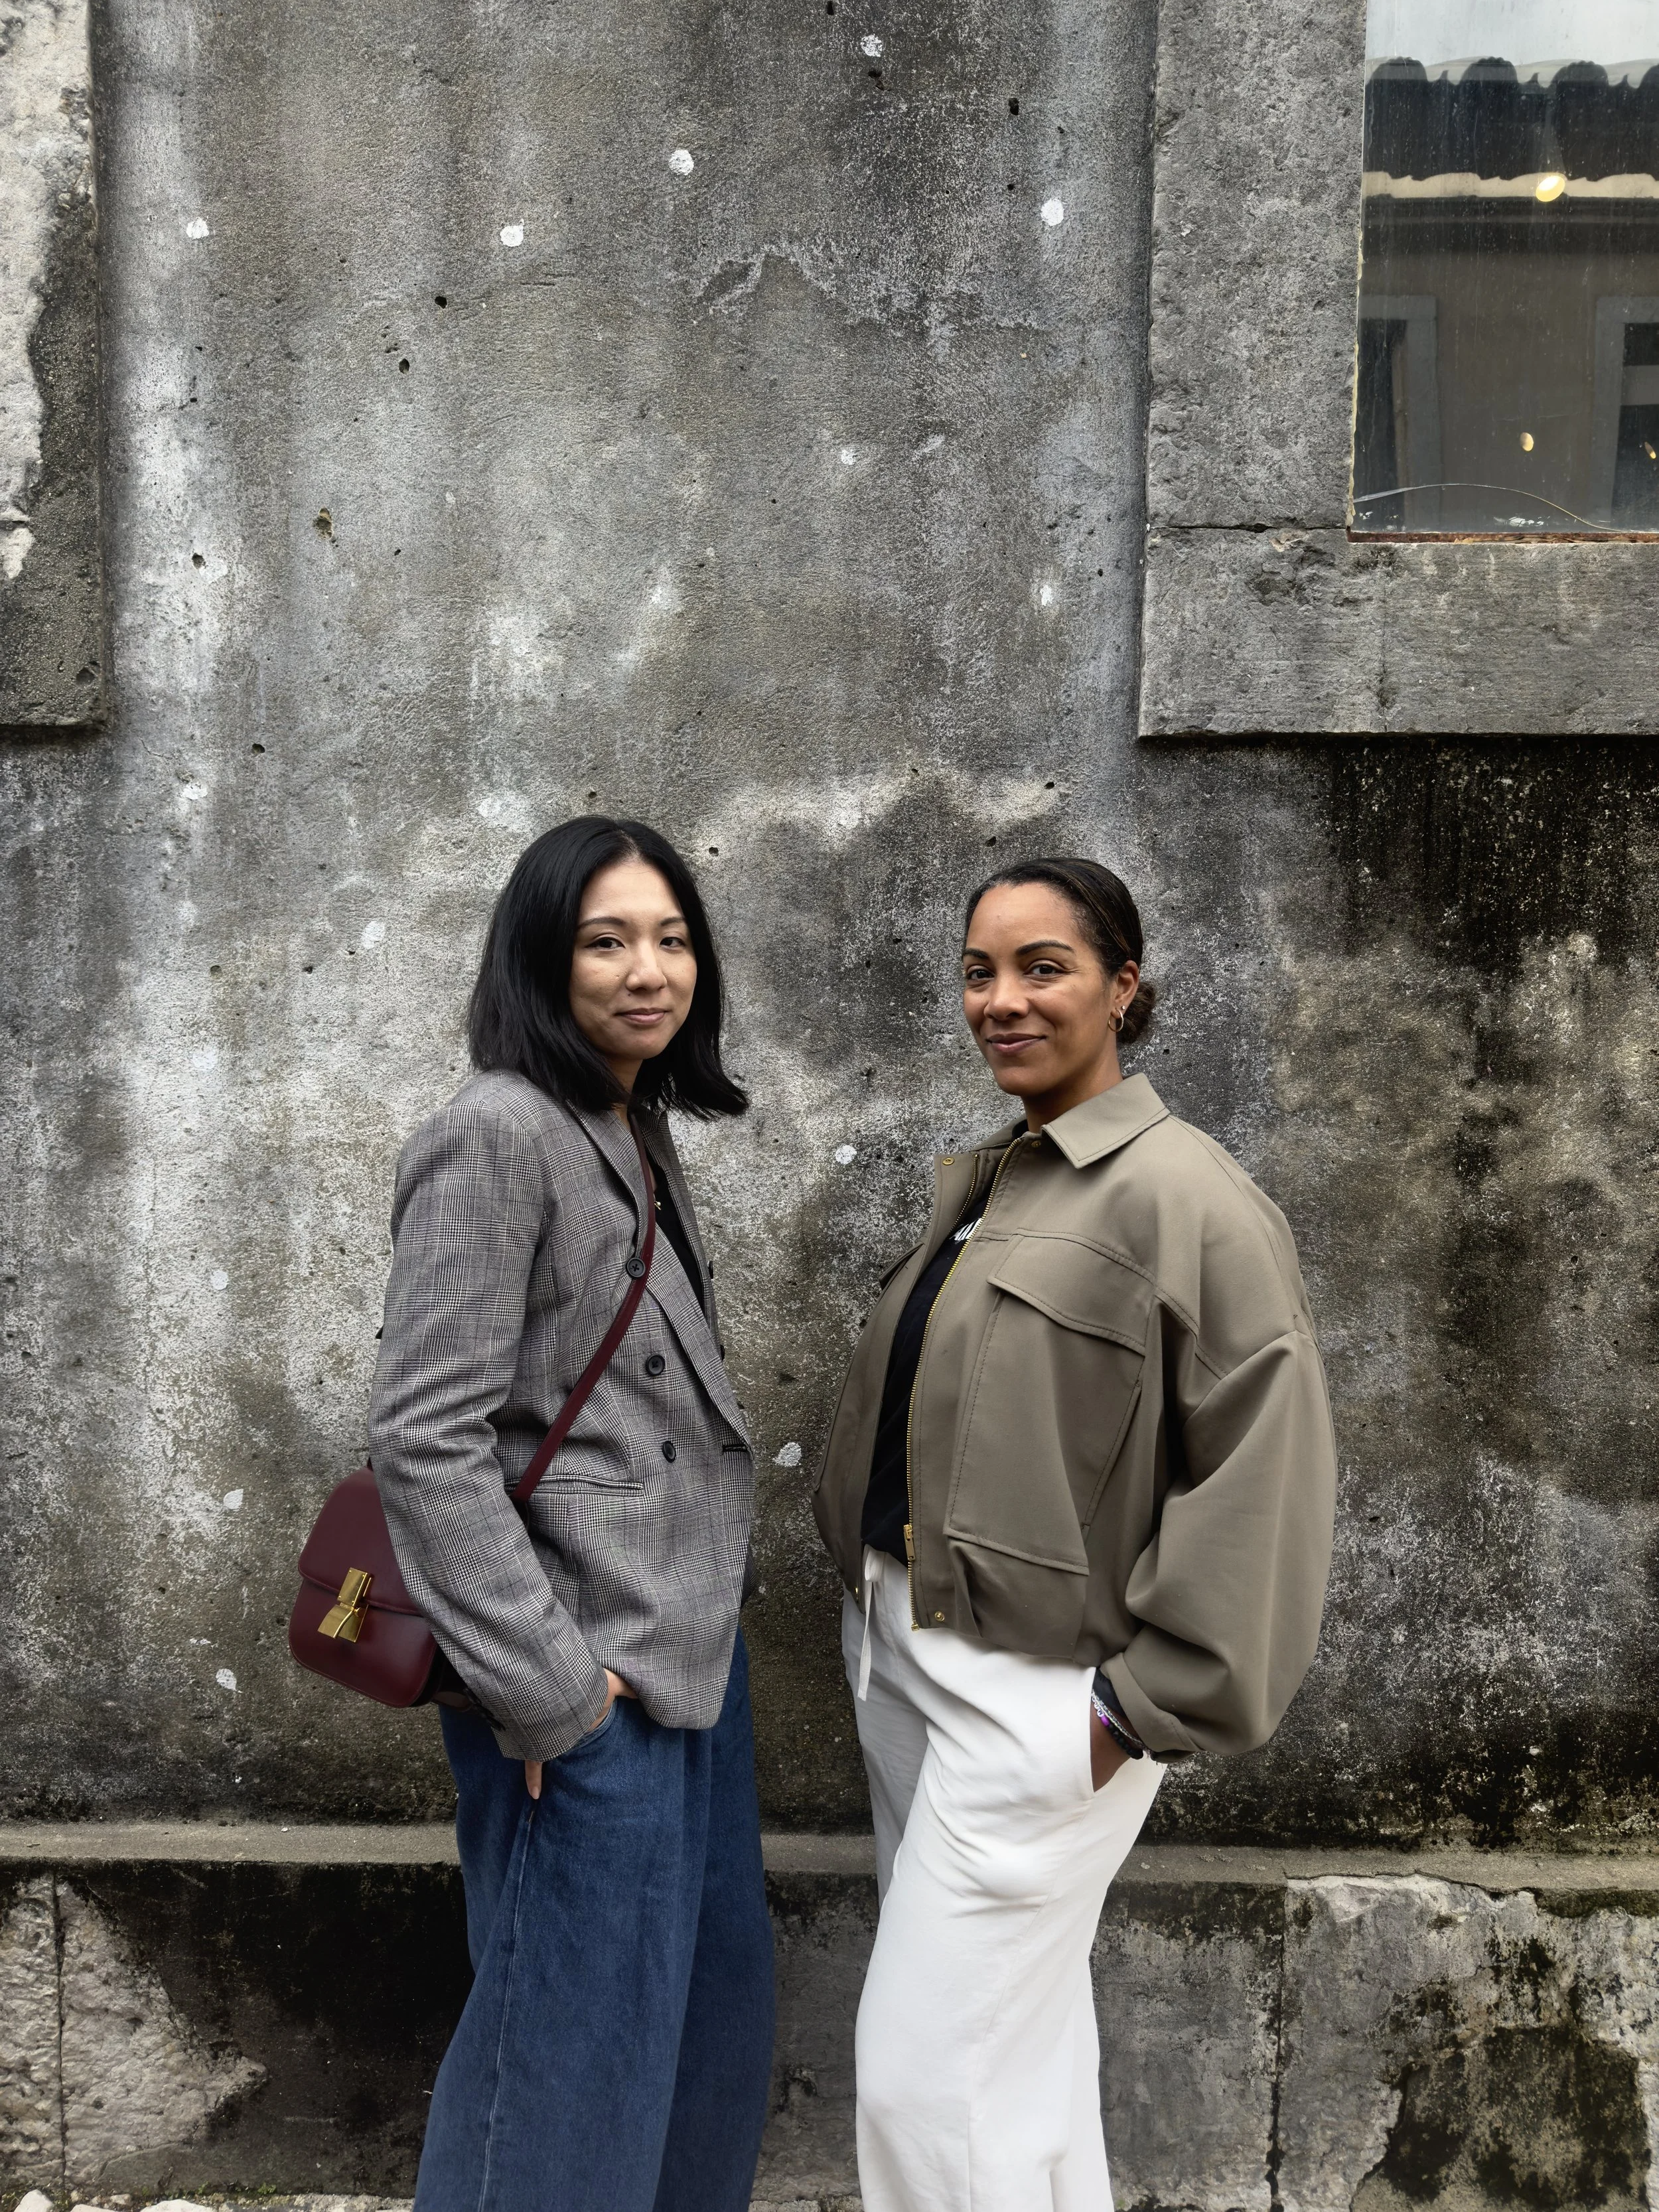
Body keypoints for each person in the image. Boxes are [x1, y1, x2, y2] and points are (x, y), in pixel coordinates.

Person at [814, 856, 1336, 2212]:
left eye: (1040, 966)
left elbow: (1261, 1464)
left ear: (1123, 983)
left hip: (1037, 1701)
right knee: (1018, 2064)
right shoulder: (1006, 1174)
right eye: (978, 972)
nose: (1000, 999)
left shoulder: (1187, 1198)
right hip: (908, 1660)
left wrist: (1136, 1708)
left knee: (925, 2085)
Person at [370, 816, 774, 2212]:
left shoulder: (626, 1122)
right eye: (605, 939)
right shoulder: (492, 1135)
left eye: (669, 937)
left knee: (694, 2044)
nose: (646, 969)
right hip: (578, 1686)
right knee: (558, 2072)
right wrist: (549, 1693)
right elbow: (424, 1433)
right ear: (541, 958)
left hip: (684, 1670)